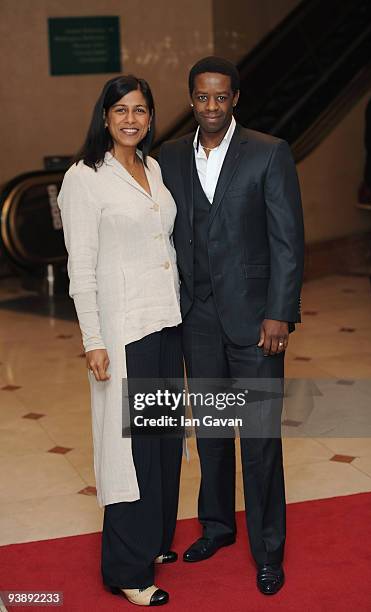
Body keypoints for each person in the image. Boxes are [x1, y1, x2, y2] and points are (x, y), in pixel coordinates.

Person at [159, 56, 304, 596]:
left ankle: (269, 551)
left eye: (221, 97)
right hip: (196, 318)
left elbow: (288, 240)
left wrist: (279, 312)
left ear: (235, 99)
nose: (211, 106)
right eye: (202, 97)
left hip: (255, 322)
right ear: (191, 99)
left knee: (260, 440)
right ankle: (217, 527)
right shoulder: (169, 157)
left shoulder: (269, 152)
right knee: (215, 434)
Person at [58, 75, 183, 607]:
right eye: (121, 110)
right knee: (128, 452)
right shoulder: (84, 178)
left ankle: (153, 540)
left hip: (165, 320)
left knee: (161, 443)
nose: (131, 119)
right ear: (104, 117)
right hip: (123, 330)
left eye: (141, 110)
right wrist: (93, 339)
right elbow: (80, 267)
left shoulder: (152, 168)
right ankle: (127, 569)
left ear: (151, 117)